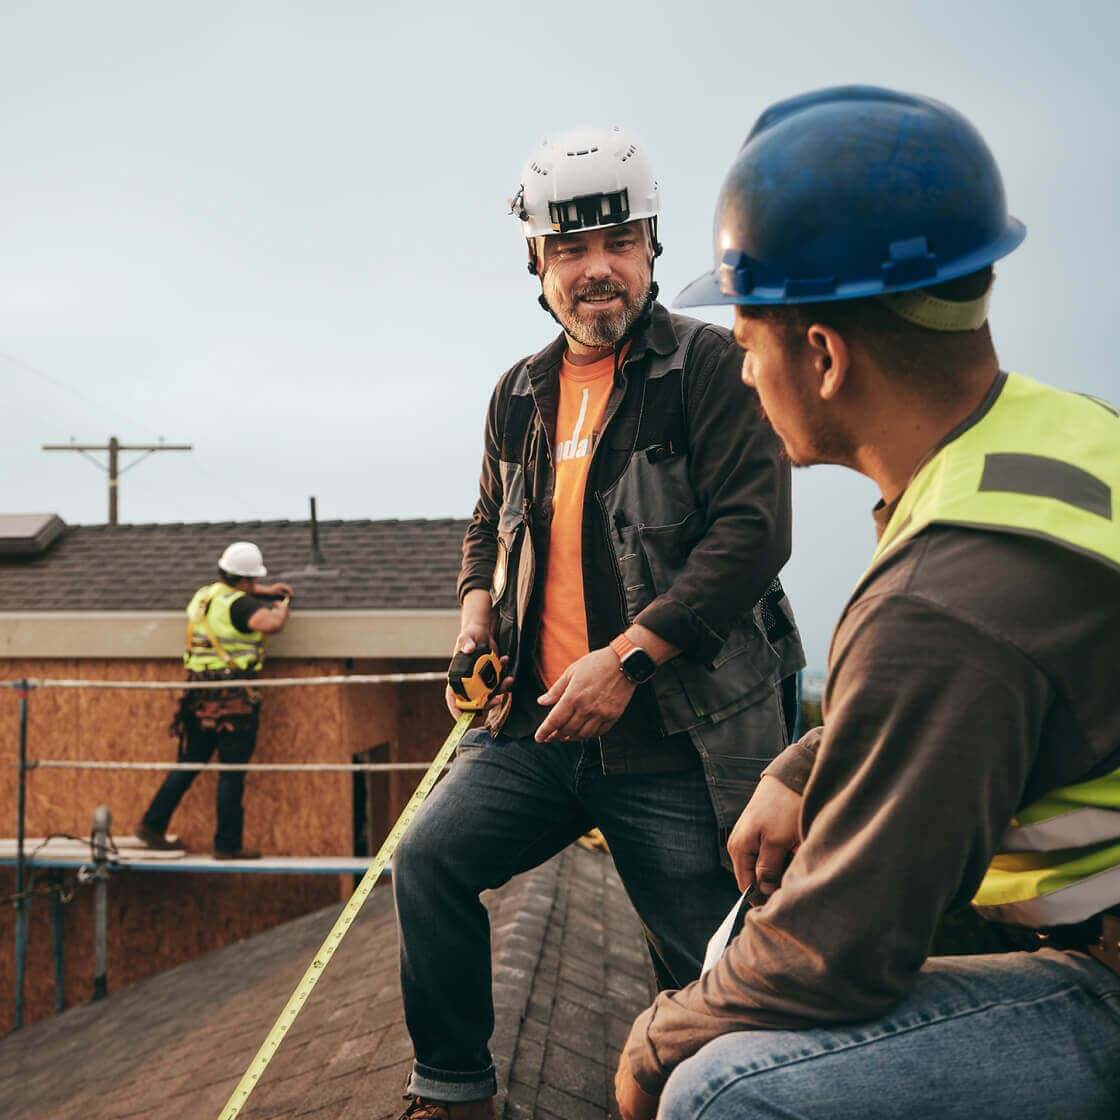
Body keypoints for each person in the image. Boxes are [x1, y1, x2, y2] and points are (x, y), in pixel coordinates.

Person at [613, 86, 1120, 1120]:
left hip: (1106, 973)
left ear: (824, 356)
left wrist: (654, 1037)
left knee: (719, 1091)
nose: (744, 373)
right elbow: (987, 677)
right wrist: (806, 762)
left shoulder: (941, 598)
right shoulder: (1055, 439)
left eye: (748, 341)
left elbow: (833, 956)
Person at [392, 126, 804, 1120]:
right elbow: (489, 522)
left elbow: (754, 535)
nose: (596, 269)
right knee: (427, 858)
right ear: (535, 262)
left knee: (712, 973)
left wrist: (628, 657)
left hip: (677, 742)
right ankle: (453, 1091)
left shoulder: (709, 368)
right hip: (537, 734)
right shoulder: (519, 395)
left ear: (653, 243)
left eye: (616, 241)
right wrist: (474, 620)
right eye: (569, 250)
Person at [137, 541, 292, 860]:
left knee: (190, 763)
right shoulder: (242, 606)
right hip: (233, 700)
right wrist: (281, 606)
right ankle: (227, 845)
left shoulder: (204, 596)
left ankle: (152, 824)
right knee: (231, 772)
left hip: (199, 696)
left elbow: (233, 599)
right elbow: (270, 624)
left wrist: (262, 591)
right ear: (246, 581)